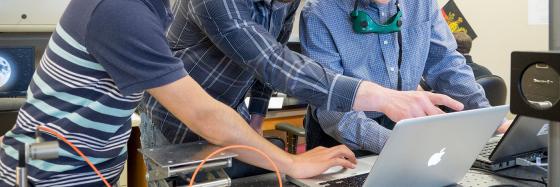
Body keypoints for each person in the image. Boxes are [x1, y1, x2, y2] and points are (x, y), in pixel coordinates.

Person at [0, 0, 463, 186]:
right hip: (48, 168)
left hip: (94, 161)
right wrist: (375, 96)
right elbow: (209, 108)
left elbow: (268, 64)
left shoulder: (149, 6)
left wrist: (257, 127)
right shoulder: (122, 11)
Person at [139, 0, 464, 184]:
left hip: (233, 116)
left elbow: (274, 47)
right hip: (176, 121)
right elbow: (272, 62)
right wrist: (380, 96)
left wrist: (257, 114)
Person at [299, 0, 504, 154]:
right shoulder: (320, 13)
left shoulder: (422, 3)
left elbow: (447, 64)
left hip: (405, 131)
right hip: (342, 141)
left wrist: (489, 120)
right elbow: (333, 109)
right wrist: (399, 146)